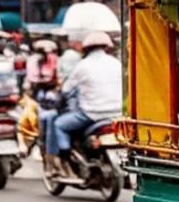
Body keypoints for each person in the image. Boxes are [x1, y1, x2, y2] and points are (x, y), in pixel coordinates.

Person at [42, 32, 123, 177]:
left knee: (59, 124)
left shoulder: (82, 66)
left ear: (86, 49)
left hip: (92, 114)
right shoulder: (116, 63)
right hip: (117, 113)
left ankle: (64, 158)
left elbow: (66, 89)